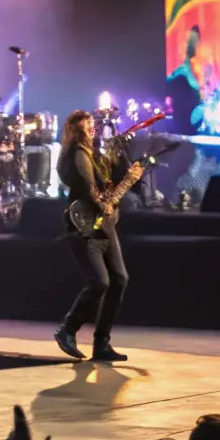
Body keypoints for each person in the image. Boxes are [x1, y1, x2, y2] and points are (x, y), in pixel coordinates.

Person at [54, 109, 141, 364]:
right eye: (88, 125)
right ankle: (67, 330)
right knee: (100, 281)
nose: (93, 128)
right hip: (85, 225)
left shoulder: (96, 155)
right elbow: (89, 187)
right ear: (77, 129)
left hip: (104, 225)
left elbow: (111, 179)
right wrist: (102, 202)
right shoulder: (77, 154)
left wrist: (130, 174)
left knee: (120, 279)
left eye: (93, 124)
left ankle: (102, 342)